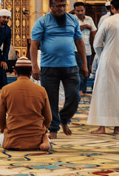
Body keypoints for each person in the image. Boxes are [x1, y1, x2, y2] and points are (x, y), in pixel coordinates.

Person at [30, 0, 87, 139]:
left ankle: (64, 118)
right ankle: (53, 128)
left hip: (70, 66)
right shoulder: (42, 22)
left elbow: (79, 42)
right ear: (51, 6)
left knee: (75, 95)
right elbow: (33, 45)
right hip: (49, 67)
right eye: (58, 6)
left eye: (63, 6)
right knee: (51, 100)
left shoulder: (72, 20)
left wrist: (84, 64)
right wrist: (35, 67)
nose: (61, 9)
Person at [88, 0, 119, 135]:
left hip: (108, 62)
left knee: (104, 93)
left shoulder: (108, 21)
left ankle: (102, 127)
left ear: (112, 8)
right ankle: (117, 128)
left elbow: (97, 44)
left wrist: (102, 56)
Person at [0, 57, 52, 151]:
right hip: (36, 140)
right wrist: (42, 131)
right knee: (44, 135)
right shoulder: (41, 90)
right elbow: (48, 118)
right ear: (31, 73)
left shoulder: (6, 90)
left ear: (15, 72)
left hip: (12, 141)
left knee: (1, 137)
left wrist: (3, 130)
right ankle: (44, 139)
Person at [73, 2, 96, 96]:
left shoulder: (89, 19)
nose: (80, 12)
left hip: (88, 49)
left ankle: (85, 90)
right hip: (76, 49)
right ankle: (79, 90)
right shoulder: (73, 19)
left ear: (84, 10)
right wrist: (86, 26)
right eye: (78, 10)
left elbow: (94, 31)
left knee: (87, 70)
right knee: (80, 70)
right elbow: (74, 30)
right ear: (74, 11)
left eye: (82, 10)